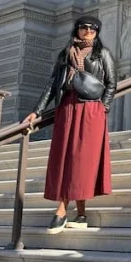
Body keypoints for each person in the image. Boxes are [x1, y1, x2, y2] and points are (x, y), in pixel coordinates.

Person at [23, 16, 117, 232]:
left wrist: (103, 107)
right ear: (77, 29)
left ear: (97, 32)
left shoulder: (102, 54)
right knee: (66, 158)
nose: (88, 31)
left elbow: (112, 83)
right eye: (84, 28)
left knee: (82, 160)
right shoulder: (65, 54)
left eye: (93, 29)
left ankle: (62, 209)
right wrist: (36, 111)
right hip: (66, 107)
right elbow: (52, 83)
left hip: (91, 110)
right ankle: (81, 214)